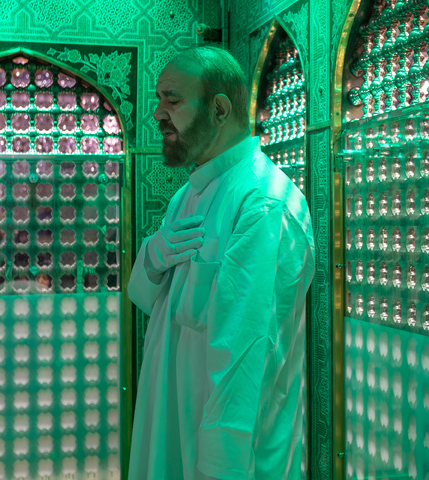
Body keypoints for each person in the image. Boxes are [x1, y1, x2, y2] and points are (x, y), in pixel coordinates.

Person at [127, 46, 315, 480]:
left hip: (224, 458)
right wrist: (151, 258)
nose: (157, 113)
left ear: (219, 109)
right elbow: (151, 304)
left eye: (172, 100)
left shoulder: (263, 203)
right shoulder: (188, 194)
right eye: (159, 99)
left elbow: (244, 365)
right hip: (171, 429)